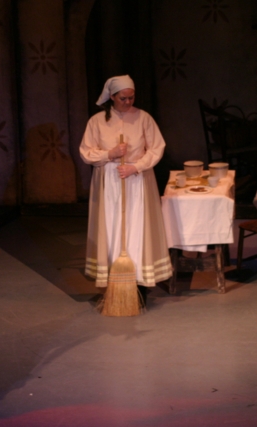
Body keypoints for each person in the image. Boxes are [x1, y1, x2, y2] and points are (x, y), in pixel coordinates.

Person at [79, 75, 172, 295]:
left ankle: (139, 281)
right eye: (123, 98)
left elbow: (157, 148)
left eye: (131, 97)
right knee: (112, 228)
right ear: (112, 97)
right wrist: (109, 154)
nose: (128, 102)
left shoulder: (143, 118)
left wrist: (136, 166)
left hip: (136, 182)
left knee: (136, 228)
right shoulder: (97, 121)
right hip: (109, 184)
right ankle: (114, 277)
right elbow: (86, 152)